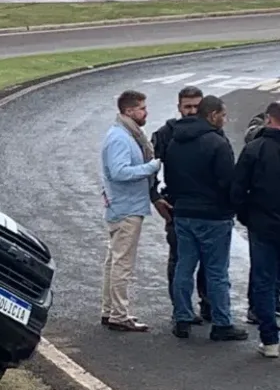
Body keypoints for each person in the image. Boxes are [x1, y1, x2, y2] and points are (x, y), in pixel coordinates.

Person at [163, 95, 248, 341]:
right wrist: (234, 206)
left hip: (184, 212)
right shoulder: (217, 144)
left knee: (184, 266)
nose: (225, 119)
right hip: (213, 216)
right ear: (212, 115)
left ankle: (182, 318)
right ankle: (222, 323)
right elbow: (227, 182)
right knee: (217, 271)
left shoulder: (175, 142)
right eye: (223, 115)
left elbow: (171, 178)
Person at [99, 90, 162, 332]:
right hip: (126, 208)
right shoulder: (120, 138)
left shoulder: (125, 134)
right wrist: (151, 167)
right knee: (122, 263)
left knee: (114, 261)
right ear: (129, 111)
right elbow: (119, 172)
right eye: (142, 108)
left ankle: (110, 310)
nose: (146, 112)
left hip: (123, 205)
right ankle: (119, 314)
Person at [150, 86, 212, 324]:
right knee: (179, 259)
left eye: (196, 106)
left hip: (207, 207)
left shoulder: (213, 132)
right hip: (176, 205)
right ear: (179, 108)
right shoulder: (165, 134)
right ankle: (181, 309)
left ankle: (208, 305)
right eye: (188, 106)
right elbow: (150, 168)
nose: (192, 111)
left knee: (209, 261)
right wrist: (155, 197)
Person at [232, 101, 280, 357]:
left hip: (261, 224)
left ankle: (270, 339)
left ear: (269, 119)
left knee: (263, 279)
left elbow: (238, 189)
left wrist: (245, 216)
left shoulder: (254, 149)